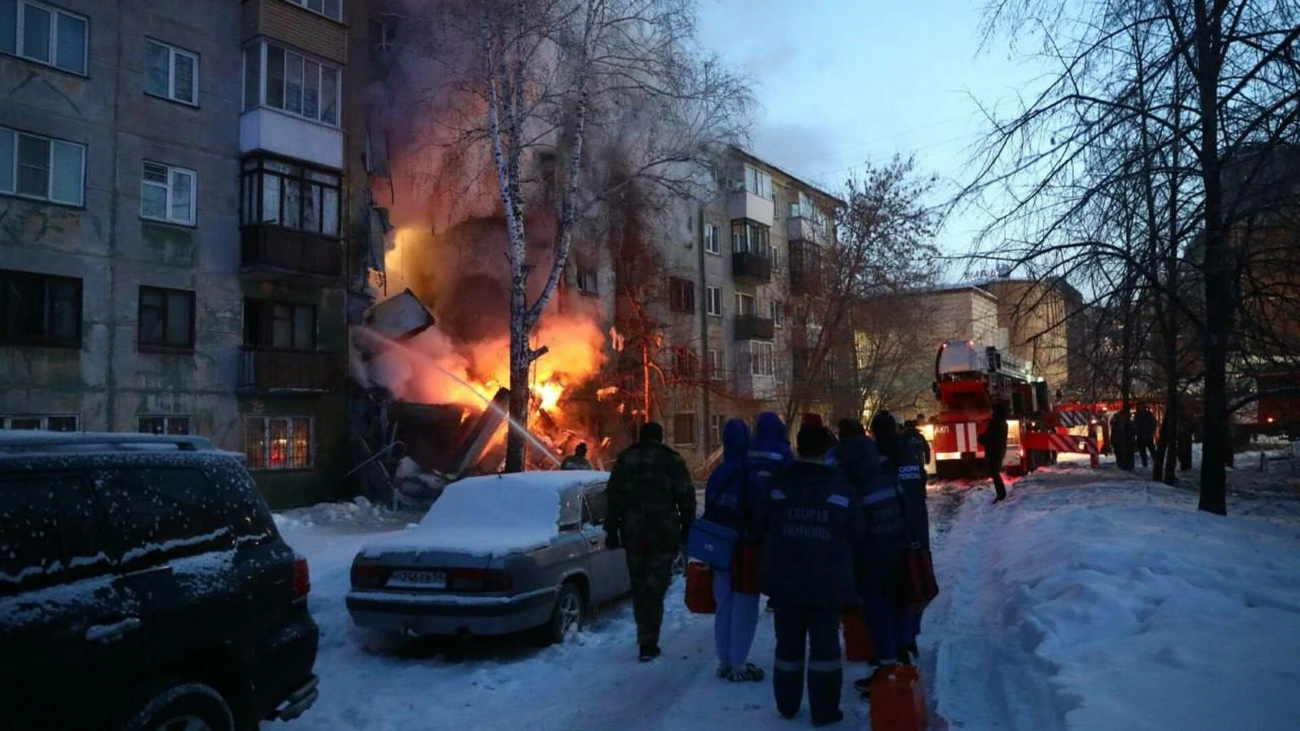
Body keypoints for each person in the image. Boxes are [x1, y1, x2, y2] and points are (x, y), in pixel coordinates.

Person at [753, 423, 865, 727]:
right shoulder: (840, 488)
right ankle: (824, 711)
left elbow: (759, 525)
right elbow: (858, 533)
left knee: (787, 646)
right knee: (825, 648)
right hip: (827, 580)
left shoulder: (778, 486)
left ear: (798, 447)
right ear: (826, 450)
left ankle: (787, 705)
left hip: (785, 579)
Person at [606, 422, 696, 661]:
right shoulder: (671, 460)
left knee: (639, 587)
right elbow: (686, 496)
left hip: (634, 534)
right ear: (659, 437)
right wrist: (688, 528)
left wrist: (611, 531)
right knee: (656, 587)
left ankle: (644, 637)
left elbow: (613, 498)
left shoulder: (626, 459)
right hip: (663, 534)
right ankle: (649, 640)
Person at [703, 418, 764, 682]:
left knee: (723, 604)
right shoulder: (751, 476)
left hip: (720, 549)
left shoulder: (717, 474)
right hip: (745, 551)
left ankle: (725, 660)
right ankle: (739, 664)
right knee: (745, 606)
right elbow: (761, 513)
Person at [752, 412, 795, 614]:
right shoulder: (782, 450)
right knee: (777, 552)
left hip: (751, 506)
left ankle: (750, 581)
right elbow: (790, 476)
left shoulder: (749, 447)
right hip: (776, 506)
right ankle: (774, 595)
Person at [981, 402, 1009, 502]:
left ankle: (1001, 494)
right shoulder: (1003, 423)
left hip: (994, 450)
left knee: (994, 473)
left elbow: (990, 437)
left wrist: (981, 438)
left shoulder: (995, 423)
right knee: (995, 472)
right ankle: (1001, 493)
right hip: (999, 450)